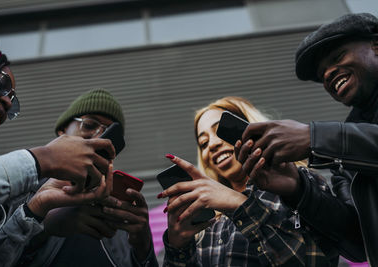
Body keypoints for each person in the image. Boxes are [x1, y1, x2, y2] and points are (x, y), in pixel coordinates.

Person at [235, 13, 378, 265]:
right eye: (322, 74)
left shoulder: (333, 144)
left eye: (338, 57)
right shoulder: (340, 153)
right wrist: (298, 189)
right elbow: (358, 244)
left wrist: (315, 137)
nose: (328, 75)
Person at [0, 36, 114, 266]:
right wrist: (41, 160)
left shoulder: (110, 210)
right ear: (61, 132)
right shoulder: (19, 185)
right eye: (3, 85)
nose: (9, 102)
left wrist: (37, 209)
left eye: (110, 132)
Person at [159, 96, 339, 266]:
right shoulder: (207, 219)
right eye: (204, 143)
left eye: (220, 131)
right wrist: (179, 248)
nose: (212, 145)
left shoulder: (298, 185)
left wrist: (241, 205)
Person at [0, 89, 158, 267]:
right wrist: (42, 226)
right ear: (62, 132)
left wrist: (143, 248)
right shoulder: (21, 188)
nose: (98, 136)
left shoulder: (117, 205)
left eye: (110, 132)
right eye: (89, 125)